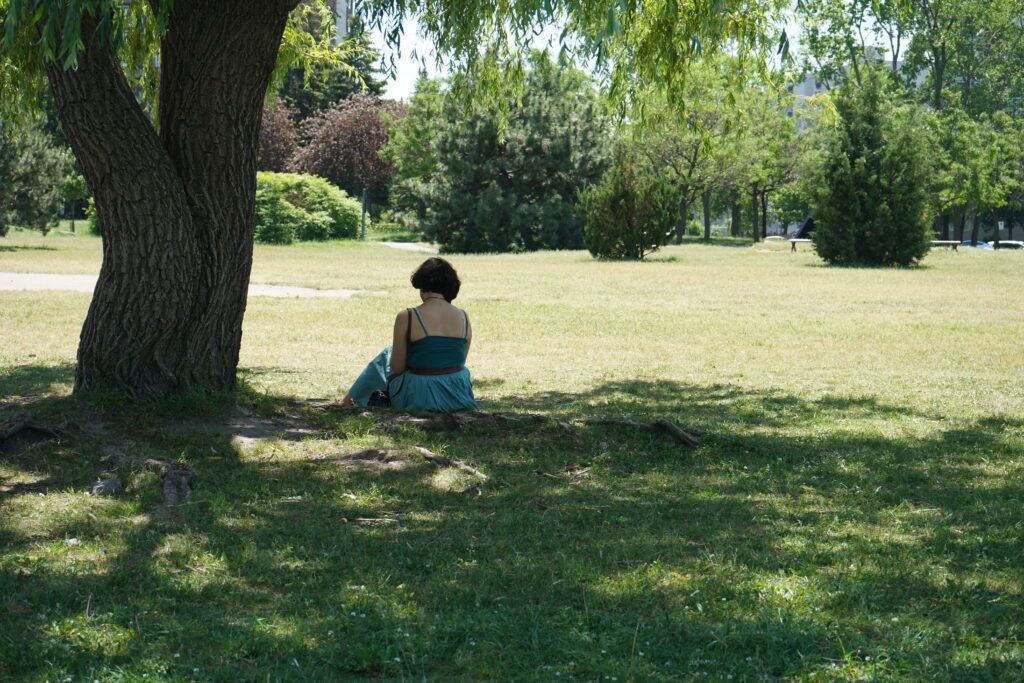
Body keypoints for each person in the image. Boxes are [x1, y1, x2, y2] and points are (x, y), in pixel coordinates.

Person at [340, 257, 476, 412]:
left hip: (419, 396)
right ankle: (348, 399)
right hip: (457, 394)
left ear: (421, 285)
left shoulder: (408, 316)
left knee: (388, 353)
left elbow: (397, 368)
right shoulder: (463, 316)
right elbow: (459, 362)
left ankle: (348, 399)